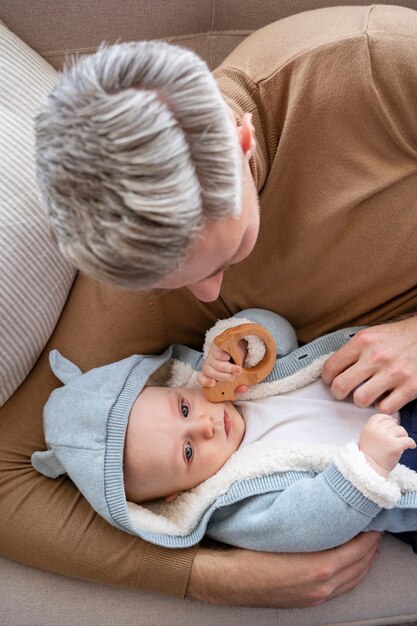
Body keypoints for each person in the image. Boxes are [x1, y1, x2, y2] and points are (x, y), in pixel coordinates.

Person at [29, 3, 417, 606]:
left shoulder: (377, 66)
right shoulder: (126, 265)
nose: (210, 298)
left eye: (225, 256)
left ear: (242, 141)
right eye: (177, 280)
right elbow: (9, 479)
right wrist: (213, 579)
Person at [32, 309, 417, 554]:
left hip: (394, 381)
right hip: (398, 469)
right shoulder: (232, 504)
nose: (205, 425)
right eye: (187, 452)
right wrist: (367, 467)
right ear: (174, 495)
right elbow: (309, 525)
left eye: (183, 408)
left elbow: (277, 335)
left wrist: (236, 343)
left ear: (171, 385)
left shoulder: (224, 379)